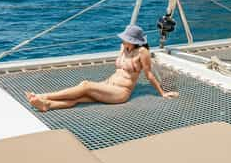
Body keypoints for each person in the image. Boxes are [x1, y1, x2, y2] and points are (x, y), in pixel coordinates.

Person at [25, 25, 179, 112]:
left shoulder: (143, 52)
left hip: (120, 93)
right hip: (108, 84)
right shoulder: (123, 48)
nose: (123, 40)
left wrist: (162, 93)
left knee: (85, 85)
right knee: (78, 97)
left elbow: (149, 75)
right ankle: (47, 105)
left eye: (127, 39)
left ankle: (44, 96)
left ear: (135, 41)